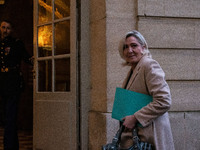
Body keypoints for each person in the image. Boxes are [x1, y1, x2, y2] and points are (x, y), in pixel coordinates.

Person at [118, 30, 175, 150]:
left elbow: (164, 101)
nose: (129, 50)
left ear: (143, 48)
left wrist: (135, 118)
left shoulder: (149, 65)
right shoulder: (133, 69)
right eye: (125, 47)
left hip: (150, 136)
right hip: (138, 136)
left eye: (134, 45)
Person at [0, 20, 33, 150]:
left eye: (8, 28)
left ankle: (8, 146)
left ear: (11, 30)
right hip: (2, 82)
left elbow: (26, 57)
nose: (5, 30)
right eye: (3, 27)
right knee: (6, 117)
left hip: (13, 83)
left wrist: (35, 60)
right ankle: (13, 146)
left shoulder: (16, 43)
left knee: (10, 117)